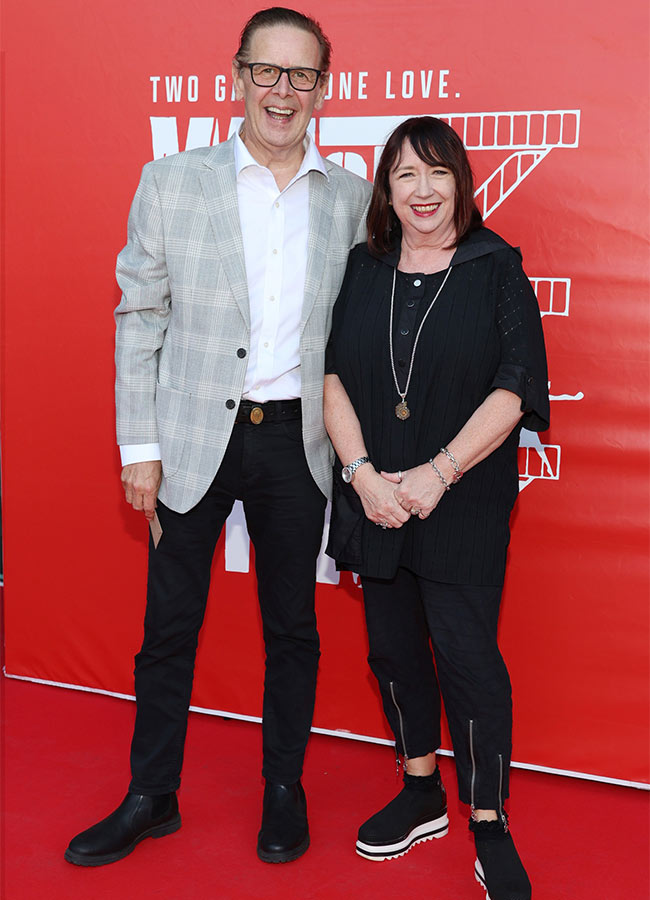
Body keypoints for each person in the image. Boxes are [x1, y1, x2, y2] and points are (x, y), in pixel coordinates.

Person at [65, 7, 371, 868]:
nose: (283, 91)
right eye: (267, 72)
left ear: (322, 90)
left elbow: (361, 328)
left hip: (296, 445)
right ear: (236, 77)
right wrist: (139, 446)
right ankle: (150, 795)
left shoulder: (350, 199)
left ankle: (283, 789)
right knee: (169, 627)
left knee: (292, 629)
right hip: (194, 434)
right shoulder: (170, 181)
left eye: (301, 75)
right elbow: (140, 315)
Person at [324, 116, 549, 899]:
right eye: (405, 176)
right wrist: (361, 475)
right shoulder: (364, 266)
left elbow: (518, 385)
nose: (422, 191)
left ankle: (489, 823)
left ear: (460, 180)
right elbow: (334, 380)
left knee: (468, 662)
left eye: (437, 173)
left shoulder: (496, 267)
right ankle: (421, 789)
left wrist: (437, 473)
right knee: (391, 652)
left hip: (460, 502)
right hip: (376, 500)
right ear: (386, 189)